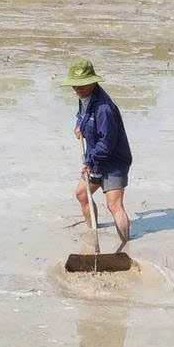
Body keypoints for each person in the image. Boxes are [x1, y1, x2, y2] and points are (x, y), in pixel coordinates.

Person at [66, 57, 132, 254]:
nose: (78, 90)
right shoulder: (84, 98)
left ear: (93, 82)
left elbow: (107, 143)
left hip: (113, 161)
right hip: (96, 159)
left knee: (114, 205)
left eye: (83, 85)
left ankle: (126, 247)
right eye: (75, 86)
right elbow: (84, 116)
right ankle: (92, 232)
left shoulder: (104, 108)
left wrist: (90, 161)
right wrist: (80, 125)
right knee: (82, 195)